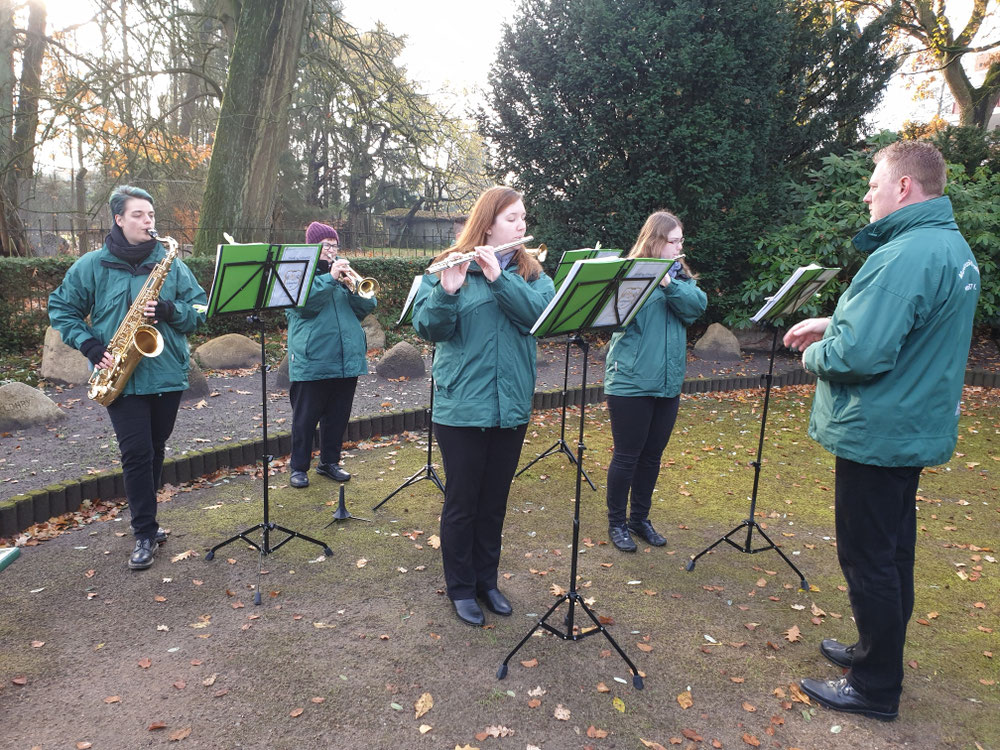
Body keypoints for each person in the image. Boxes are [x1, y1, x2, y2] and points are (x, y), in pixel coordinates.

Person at [784, 141, 979, 721]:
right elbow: (899, 321)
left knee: (869, 558)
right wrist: (833, 319)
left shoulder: (906, 254)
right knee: (893, 554)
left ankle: (874, 687)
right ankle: (876, 653)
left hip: (880, 430)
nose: (866, 192)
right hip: (910, 426)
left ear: (903, 188)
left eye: (874, 182)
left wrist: (816, 355)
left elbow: (860, 354)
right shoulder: (947, 245)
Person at [412, 187, 555, 626]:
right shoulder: (449, 265)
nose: (522, 225)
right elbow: (428, 329)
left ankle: (486, 581)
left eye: (524, 217)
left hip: (510, 404)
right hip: (461, 407)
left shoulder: (533, 274)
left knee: (495, 500)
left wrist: (499, 278)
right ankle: (460, 588)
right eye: (513, 217)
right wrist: (447, 293)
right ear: (488, 223)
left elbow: (540, 317)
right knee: (463, 500)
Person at [48, 185, 207, 570]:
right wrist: (87, 344)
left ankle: (148, 520)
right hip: (119, 374)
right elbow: (61, 308)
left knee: (155, 448)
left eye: (151, 215)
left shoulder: (171, 262)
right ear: (118, 219)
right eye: (138, 215)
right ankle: (143, 533)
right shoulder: (91, 265)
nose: (147, 221)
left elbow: (200, 309)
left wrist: (170, 310)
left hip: (166, 371)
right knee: (136, 453)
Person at [602, 211, 707, 552]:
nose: (680, 247)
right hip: (630, 382)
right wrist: (648, 281)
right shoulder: (629, 273)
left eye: (681, 240)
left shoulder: (681, 279)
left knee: (652, 456)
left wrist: (668, 282)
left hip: (667, 382)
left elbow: (696, 308)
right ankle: (617, 523)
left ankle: (639, 519)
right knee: (627, 456)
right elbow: (611, 319)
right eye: (673, 241)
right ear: (656, 241)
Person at [285, 222, 376, 489]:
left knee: (338, 416)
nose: (331, 250)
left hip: (346, 358)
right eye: (325, 245)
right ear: (312, 247)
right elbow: (303, 306)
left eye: (334, 245)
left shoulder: (343, 277)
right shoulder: (298, 273)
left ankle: (329, 462)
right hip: (313, 358)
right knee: (305, 418)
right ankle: (298, 467)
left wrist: (354, 286)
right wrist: (330, 278)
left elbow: (366, 306)